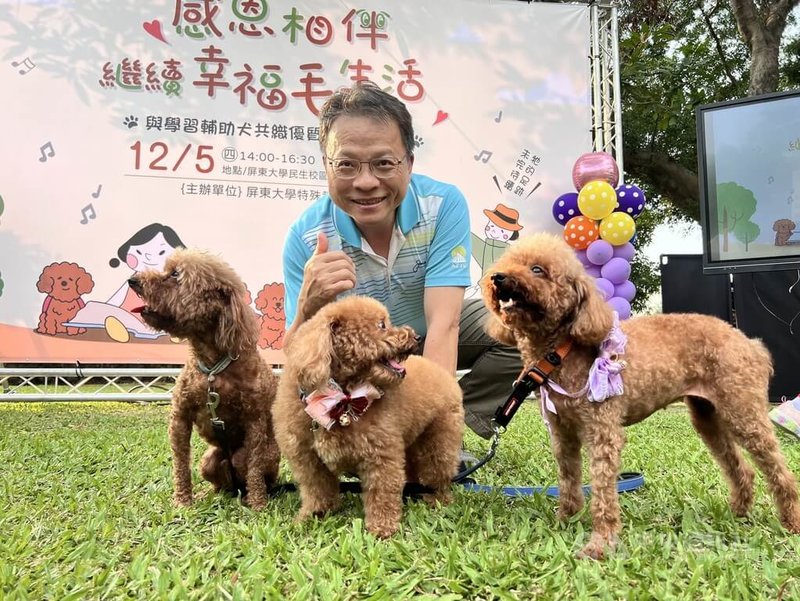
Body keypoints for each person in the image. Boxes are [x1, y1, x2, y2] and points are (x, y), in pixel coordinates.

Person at [282, 81, 522, 441]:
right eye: (346, 164)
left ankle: (452, 418)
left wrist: (432, 429)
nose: (365, 182)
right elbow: (295, 358)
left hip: (424, 337)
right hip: (362, 357)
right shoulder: (305, 237)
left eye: (383, 163)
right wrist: (308, 304)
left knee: (524, 327)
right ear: (326, 167)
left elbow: (445, 323)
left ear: (408, 164)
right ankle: (362, 428)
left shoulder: (442, 206)